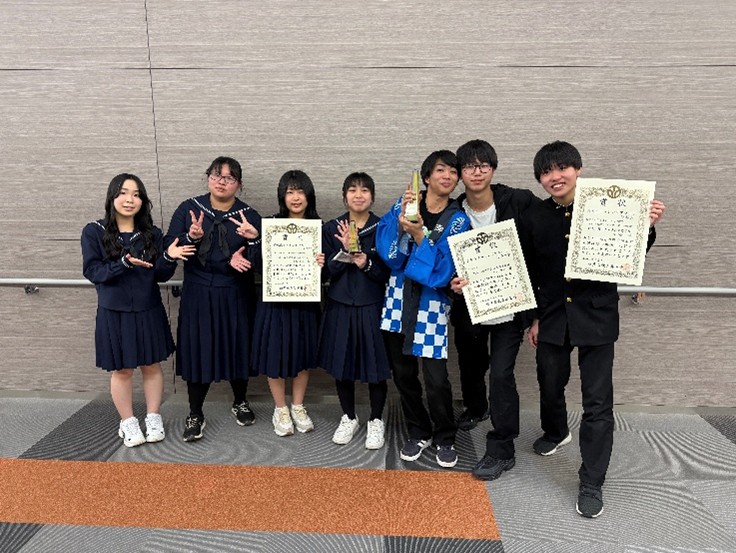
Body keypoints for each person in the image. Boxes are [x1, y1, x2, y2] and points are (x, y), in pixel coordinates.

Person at [520, 141, 666, 518]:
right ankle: (556, 431)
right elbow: (532, 271)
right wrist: (534, 317)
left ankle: (592, 480)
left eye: (562, 168)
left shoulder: (608, 206)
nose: (555, 177)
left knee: (597, 403)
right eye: (546, 172)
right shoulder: (535, 216)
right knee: (549, 383)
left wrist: (645, 226)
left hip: (597, 317)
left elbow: (630, 254)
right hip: (553, 315)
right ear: (539, 179)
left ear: (578, 170)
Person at [448, 139, 541, 481]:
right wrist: (449, 282)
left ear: (493, 169)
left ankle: (502, 448)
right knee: (471, 364)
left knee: (501, 375)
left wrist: (537, 311)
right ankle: (476, 408)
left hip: (509, 310)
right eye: (469, 166)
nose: (477, 172)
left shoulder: (518, 201)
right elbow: (440, 259)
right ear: (460, 174)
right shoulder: (452, 213)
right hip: (469, 306)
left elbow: (547, 233)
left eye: (483, 165)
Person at [82, 173, 195, 447]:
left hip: (148, 308)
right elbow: (93, 271)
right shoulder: (94, 231)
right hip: (114, 311)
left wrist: (169, 256)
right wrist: (124, 263)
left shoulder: (151, 234)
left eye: (136, 194)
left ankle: (153, 417)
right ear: (112, 197)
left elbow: (160, 275)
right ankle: (128, 422)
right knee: (121, 370)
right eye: (123, 193)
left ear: (143, 200)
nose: (129, 199)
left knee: (152, 365)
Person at [377, 150, 471, 468]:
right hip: (398, 300)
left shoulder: (458, 220)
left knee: (436, 378)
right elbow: (389, 256)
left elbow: (446, 269)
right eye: (441, 170)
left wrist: (419, 235)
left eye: (453, 172)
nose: (448, 176)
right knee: (403, 373)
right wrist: (401, 226)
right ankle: (418, 430)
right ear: (427, 177)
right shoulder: (404, 206)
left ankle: (445, 435)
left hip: (432, 303)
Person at [166, 156, 262, 442]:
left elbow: (262, 262)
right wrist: (191, 237)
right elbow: (170, 246)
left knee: (238, 346)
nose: (222, 182)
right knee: (199, 350)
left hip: (236, 292)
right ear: (208, 177)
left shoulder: (249, 215)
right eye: (216, 175)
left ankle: (240, 401)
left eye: (229, 178)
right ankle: (195, 412)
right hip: (198, 293)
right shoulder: (188, 208)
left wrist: (253, 241)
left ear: (239, 184)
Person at [319, 172, 391, 449]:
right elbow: (325, 273)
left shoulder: (383, 227)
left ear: (372, 196)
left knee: (376, 367)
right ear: (344, 196)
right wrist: (344, 252)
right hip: (340, 305)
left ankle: (376, 419)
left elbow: (389, 272)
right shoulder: (331, 228)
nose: (358, 195)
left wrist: (365, 263)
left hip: (373, 305)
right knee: (342, 365)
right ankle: (349, 417)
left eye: (364, 190)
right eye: (352, 190)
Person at [252, 170, 324, 437]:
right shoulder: (270, 224)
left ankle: (298, 406)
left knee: (302, 356)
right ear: (282, 196)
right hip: (275, 303)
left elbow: (330, 271)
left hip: (305, 302)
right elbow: (257, 265)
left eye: (300, 191)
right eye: (290, 192)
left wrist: (323, 263)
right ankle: (280, 408)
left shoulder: (319, 227)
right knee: (275, 355)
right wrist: (255, 239)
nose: (295, 197)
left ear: (309, 195)